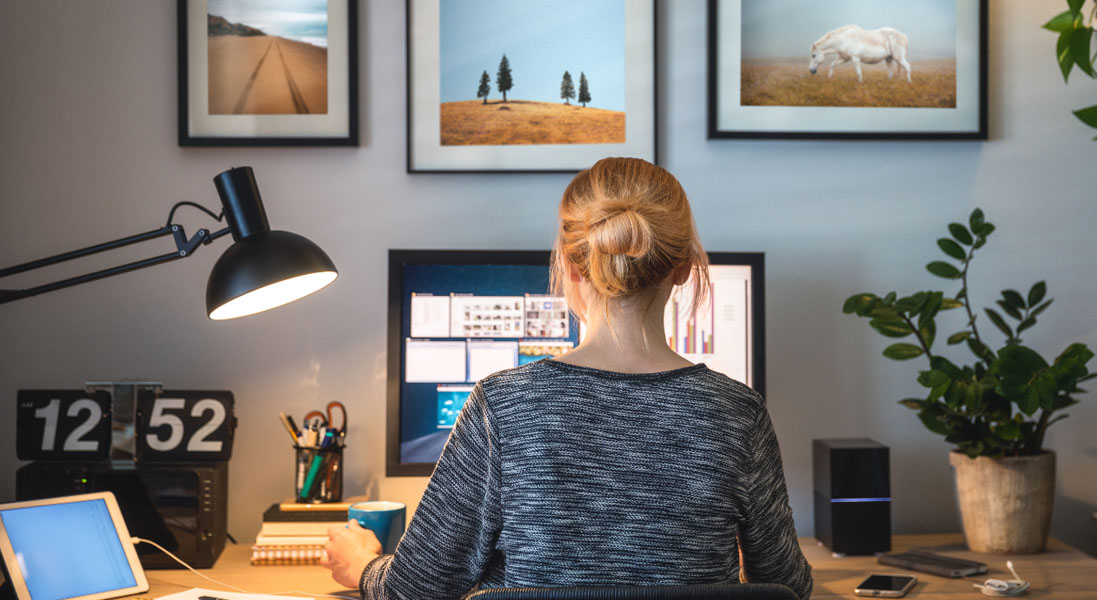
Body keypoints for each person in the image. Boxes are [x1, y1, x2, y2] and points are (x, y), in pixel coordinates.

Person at [323, 157, 812, 600]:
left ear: (571, 265)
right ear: (684, 267)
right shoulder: (738, 413)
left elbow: (417, 591)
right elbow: (787, 587)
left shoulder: (503, 406)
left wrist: (363, 566)